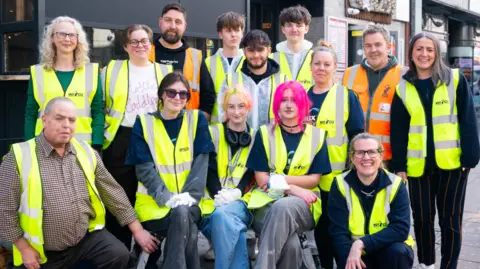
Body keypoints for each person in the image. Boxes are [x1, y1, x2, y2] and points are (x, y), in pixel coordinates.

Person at [0, 97, 158, 269]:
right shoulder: (18, 157)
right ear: (44, 120)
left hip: (85, 241)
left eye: (72, 120)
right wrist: (24, 249)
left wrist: (138, 231)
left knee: (118, 254)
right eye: (60, 118)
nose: (67, 124)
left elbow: (113, 193)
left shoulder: (86, 152)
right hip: (42, 252)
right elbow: (4, 209)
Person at [391, 32, 480, 269]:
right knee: (422, 220)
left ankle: (449, 265)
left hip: (453, 164)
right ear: (411, 53)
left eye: (429, 49)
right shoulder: (402, 86)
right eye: (419, 49)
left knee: (450, 221)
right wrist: (399, 165)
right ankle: (426, 264)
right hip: (418, 166)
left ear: (437, 53)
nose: (424, 54)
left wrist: (470, 158)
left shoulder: (455, 79)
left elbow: (468, 120)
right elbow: (398, 129)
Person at [125, 72, 214, 269]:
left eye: (183, 94)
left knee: (183, 214)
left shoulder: (197, 120)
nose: (177, 98)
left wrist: (188, 197)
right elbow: (144, 170)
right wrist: (168, 198)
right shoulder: (144, 123)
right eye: (171, 92)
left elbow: (201, 165)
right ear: (161, 95)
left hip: (191, 201)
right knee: (187, 228)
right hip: (154, 204)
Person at [101, 24, 172, 249]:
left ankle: (148, 252)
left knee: (150, 194)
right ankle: (120, 252)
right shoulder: (111, 69)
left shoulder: (164, 72)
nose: (140, 45)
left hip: (153, 138)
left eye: (144, 41)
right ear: (126, 46)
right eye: (134, 41)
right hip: (121, 138)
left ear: (151, 45)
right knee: (119, 196)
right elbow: (100, 106)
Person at [246, 81, 332, 269]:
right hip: (266, 202)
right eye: (283, 100)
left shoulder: (317, 136)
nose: (288, 105)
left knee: (283, 207)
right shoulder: (264, 133)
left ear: (303, 104)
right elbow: (261, 180)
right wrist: (292, 188)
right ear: (277, 104)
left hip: (304, 205)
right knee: (291, 245)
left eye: (294, 100)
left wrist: (278, 180)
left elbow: (314, 180)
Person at [306, 41, 365, 269]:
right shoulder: (301, 98)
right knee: (320, 232)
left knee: (339, 231)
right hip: (309, 180)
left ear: (335, 67)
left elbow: (357, 137)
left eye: (327, 64)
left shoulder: (346, 96)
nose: (321, 68)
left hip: (338, 179)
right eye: (317, 63)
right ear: (310, 67)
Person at [329, 133, 415, 269]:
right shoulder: (340, 184)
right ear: (352, 157)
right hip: (354, 254)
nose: (366, 157)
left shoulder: (396, 184)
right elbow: (338, 231)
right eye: (360, 153)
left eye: (372, 152)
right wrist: (349, 259)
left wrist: (362, 243)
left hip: (387, 248)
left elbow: (401, 228)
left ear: (381, 156)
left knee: (398, 252)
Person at [24, 16, 103, 150]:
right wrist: (29, 145)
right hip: (45, 146)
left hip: (83, 146)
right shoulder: (38, 72)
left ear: (78, 39)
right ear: (52, 38)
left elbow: (98, 111)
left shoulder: (92, 71)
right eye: (61, 34)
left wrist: (97, 143)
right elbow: (30, 112)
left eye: (72, 35)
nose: (67, 39)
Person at [198, 86, 255, 269]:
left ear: (248, 107)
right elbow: (208, 168)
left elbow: (253, 173)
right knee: (229, 223)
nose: (236, 112)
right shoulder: (213, 132)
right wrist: (220, 195)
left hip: (241, 203)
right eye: (231, 107)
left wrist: (236, 194)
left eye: (241, 106)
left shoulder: (255, 137)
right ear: (225, 108)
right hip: (212, 203)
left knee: (225, 217)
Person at [342, 25, 408, 166]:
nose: (373, 50)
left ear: (389, 46)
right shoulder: (349, 74)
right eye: (368, 46)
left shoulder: (404, 75)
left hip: (389, 157)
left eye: (378, 45)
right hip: (356, 156)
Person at [149, 2, 216, 119]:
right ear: (160, 22)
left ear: (184, 26)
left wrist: (199, 121)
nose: (172, 26)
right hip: (151, 124)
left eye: (178, 22)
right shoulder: (146, 52)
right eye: (168, 20)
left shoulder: (196, 57)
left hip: (187, 127)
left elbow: (208, 95)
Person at [217, 30, 287, 130]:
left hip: (272, 142)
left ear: (268, 51)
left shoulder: (283, 81)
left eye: (260, 50)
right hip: (239, 142)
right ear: (244, 51)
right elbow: (222, 115)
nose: (256, 55)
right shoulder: (230, 80)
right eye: (251, 50)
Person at [206, 12, 246, 123]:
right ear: (220, 34)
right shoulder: (208, 63)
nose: (233, 34)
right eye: (228, 31)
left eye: (237, 30)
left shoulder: (249, 62)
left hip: (243, 129)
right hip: (215, 128)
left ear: (242, 33)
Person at [272, 5, 314, 90]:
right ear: (283, 29)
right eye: (289, 25)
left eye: (299, 25)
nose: (294, 29)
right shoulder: (271, 59)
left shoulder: (315, 58)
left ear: (306, 28)